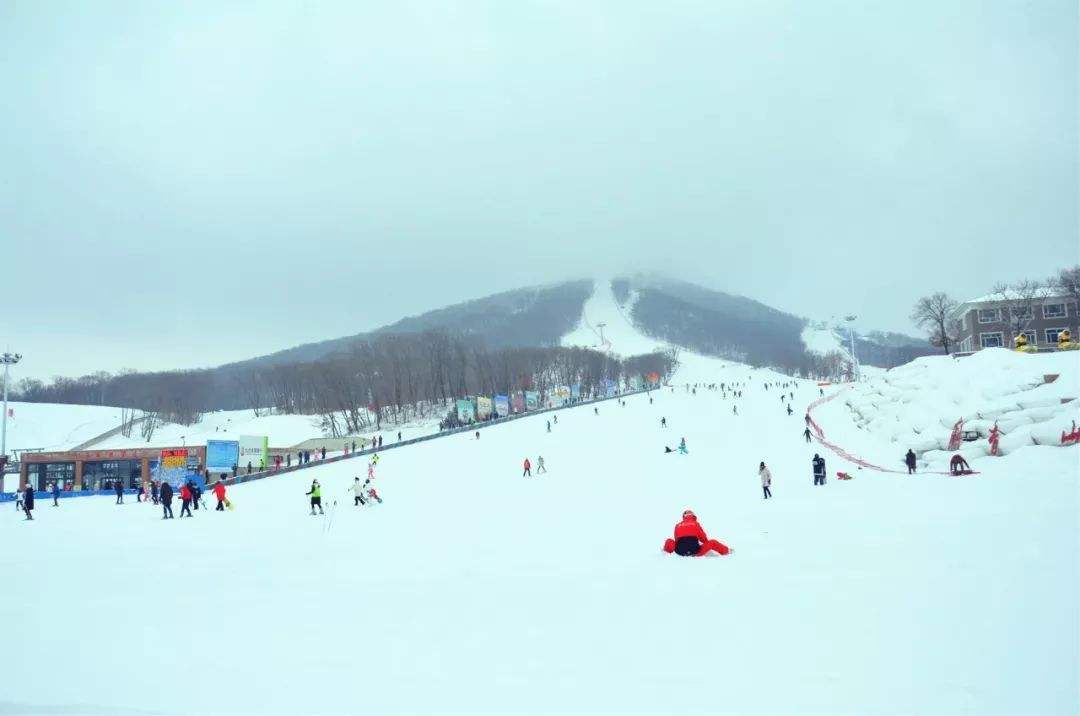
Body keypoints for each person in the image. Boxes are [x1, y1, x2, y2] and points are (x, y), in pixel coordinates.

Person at [662, 510, 730, 556]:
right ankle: (727, 551)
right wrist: (705, 544)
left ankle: (665, 553)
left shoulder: (678, 525)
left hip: (679, 551)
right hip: (695, 551)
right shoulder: (695, 524)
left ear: (683, 517)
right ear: (693, 516)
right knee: (713, 542)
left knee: (669, 541)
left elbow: (676, 540)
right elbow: (703, 539)